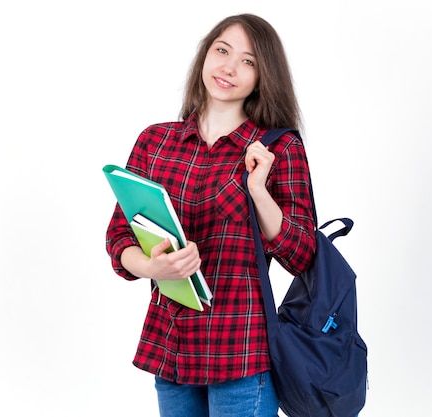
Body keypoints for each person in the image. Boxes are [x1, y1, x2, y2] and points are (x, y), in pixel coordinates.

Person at [106, 13, 316, 417]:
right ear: (205, 55)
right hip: (172, 347)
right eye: (222, 50)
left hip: (241, 352)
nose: (229, 67)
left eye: (248, 60)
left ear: (261, 76)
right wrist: (153, 267)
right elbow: (119, 238)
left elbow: (302, 254)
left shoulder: (278, 149)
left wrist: (258, 190)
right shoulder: (156, 141)